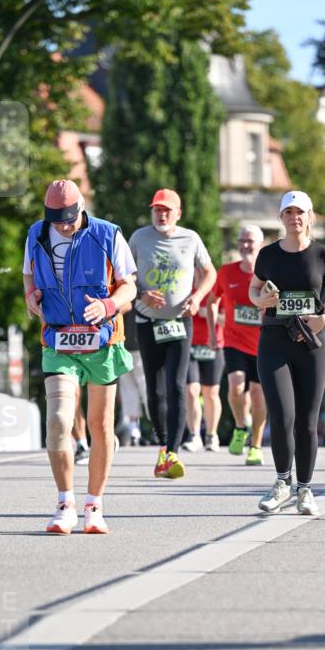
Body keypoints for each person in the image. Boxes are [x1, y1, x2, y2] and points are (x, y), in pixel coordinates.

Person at [24, 179, 136, 533]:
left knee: (101, 426)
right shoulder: (37, 234)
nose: (63, 226)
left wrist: (108, 304)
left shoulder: (108, 234)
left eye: (69, 219)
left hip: (103, 341)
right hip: (58, 339)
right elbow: (29, 276)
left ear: (82, 208)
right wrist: (31, 297)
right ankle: (65, 503)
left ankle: (94, 505)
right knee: (58, 418)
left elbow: (130, 286)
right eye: (56, 219)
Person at [249, 191, 325, 514]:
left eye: (300, 212)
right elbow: (255, 289)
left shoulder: (323, 255)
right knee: (281, 417)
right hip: (274, 340)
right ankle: (282, 483)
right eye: (288, 212)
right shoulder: (267, 255)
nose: (294, 218)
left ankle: (305, 490)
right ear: (281, 218)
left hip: (311, 343)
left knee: (307, 421)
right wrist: (260, 300)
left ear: (310, 217)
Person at [128, 189, 216, 479]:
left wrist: (198, 296)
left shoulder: (190, 238)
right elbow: (123, 276)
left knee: (177, 385)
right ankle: (163, 443)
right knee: (154, 388)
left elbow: (209, 272)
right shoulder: (139, 238)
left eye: (167, 210)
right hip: (147, 321)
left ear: (178, 213)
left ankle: (172, 452)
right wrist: (141, 293)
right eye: (157, 210)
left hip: (180, 322)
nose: (161, 215)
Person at [207, 225, 267, 465]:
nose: (245, 245)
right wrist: (213, 332)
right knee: (235, 387)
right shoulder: (227, 272)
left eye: (250, 241)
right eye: (242, 240)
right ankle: (241, 427)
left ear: (260, 245)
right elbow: (212, 301)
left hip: (264, 345)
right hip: (234, 341)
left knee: (258, 394)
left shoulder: (270, 273)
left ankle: (256, 445)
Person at [184, 286, 224, 452]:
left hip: (212, 346)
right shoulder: (186, 288)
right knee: (191, 390)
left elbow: (227, 320)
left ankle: (211, 434)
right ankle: (194, 435)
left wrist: (205, 312)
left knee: (211, 393)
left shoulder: (216, 290)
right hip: (189, 345)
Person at [117, 305, 149, 446]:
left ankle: (135, 428)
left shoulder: (122, 289)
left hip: (129, 344)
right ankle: (135, 428)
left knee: (137, 387)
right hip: (128, 344)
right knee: (140, 386)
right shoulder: (139, 288)